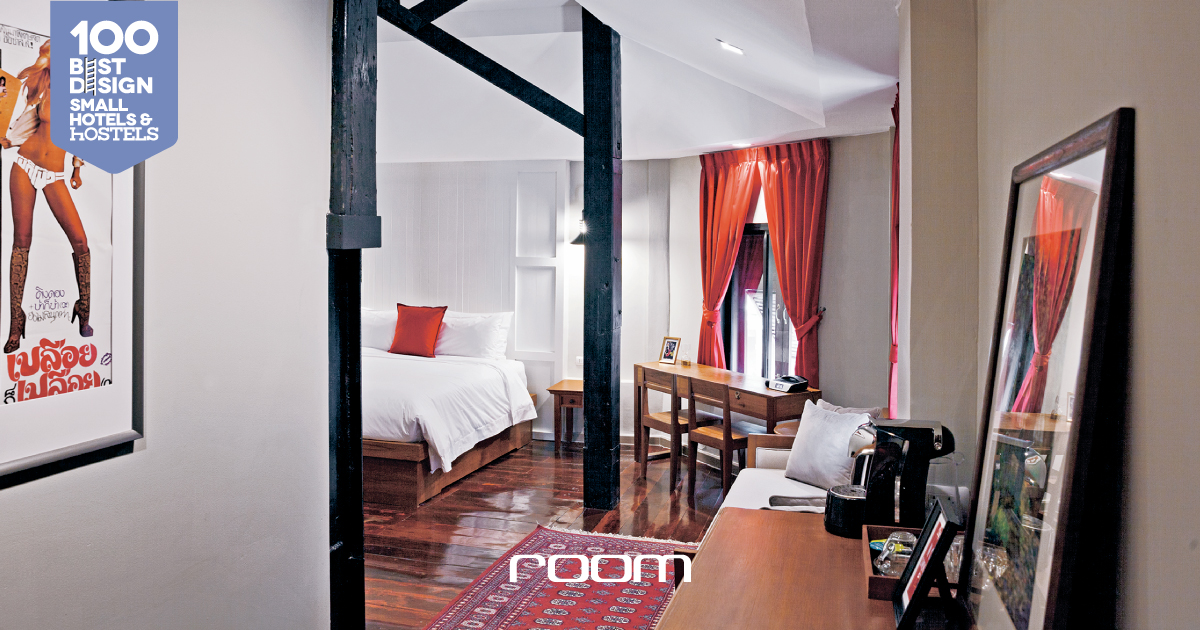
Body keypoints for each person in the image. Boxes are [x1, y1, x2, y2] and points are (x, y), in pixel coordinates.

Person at [0, 39, 92, 354]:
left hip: (54, 174)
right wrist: (10, 139)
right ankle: (16, 323)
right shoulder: (42, 87)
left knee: (80, 242)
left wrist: (76, 169)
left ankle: (84, 308)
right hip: (25, 165)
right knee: (21, 241)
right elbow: (28, 120)